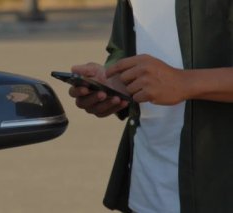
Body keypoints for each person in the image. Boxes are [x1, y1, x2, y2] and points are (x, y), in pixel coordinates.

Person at [68, 0, 233, 212]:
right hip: (146, 194)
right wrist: (112, 83)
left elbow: (174, 79)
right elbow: (126, 52)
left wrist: (187, 83)